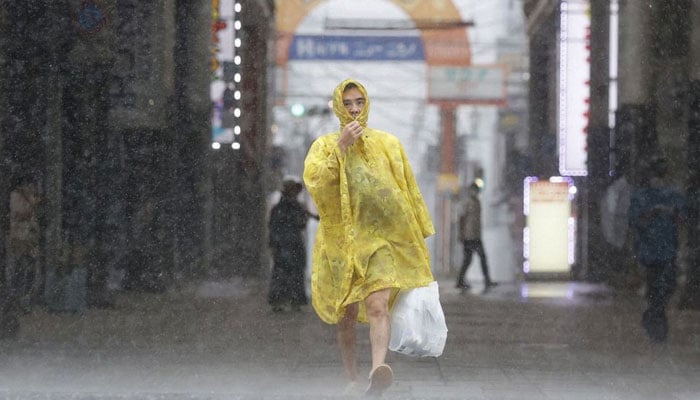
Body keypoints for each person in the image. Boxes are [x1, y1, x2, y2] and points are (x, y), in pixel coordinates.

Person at [303, 79, 435, 397]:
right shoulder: (324, 147)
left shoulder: (389, 144)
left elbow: (406, 188)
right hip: (341, 243)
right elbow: (316, 183)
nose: (354, 109)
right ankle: (352, 376)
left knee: (377, 305)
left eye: (359, 102)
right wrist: (341, 148)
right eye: (347, 103)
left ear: (367, 104)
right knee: (346, 315)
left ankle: (378, 368)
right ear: (338, 106)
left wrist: (416, 229)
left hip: (380, 242)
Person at [628, 156, 686, 343]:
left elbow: (681, 218)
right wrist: (654, 212)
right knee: (656, 285)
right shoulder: (641, 196)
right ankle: (656, 322)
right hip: (650, 250)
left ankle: (654, 316)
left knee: (666, 285)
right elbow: (636, 221)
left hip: (667, 248)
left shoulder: (673, 195)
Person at [267, 178, 317, 312]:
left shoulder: (281, 207)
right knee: (291, 273)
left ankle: (281, 300)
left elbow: (273, 226)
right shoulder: (293, 207)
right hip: (291, 244)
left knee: (282, 273)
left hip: (284, 244)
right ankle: (292, 300)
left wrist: (273, 243)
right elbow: (300, 223)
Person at [456, 182, 496, 290]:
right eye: (474, 190)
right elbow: (461, 218)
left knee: (475, 259)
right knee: (471, 259)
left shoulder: (477, 202)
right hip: (468, 236)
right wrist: (461, 234)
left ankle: (485, 280)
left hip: (476, 235)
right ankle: (461, 281)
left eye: (477, 190)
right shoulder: (467, 202)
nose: (475, 192)